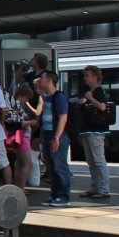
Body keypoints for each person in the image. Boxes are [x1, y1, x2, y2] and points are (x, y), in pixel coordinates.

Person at [76, 64, 111, 199]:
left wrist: (90, 98)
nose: (85, 78)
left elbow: (102, 107)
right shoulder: (89, 91)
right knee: (91, 160)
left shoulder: (98, 91)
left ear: (96, 77)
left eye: (88, 75)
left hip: (96, 130)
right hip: (87, 130)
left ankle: (104, 188)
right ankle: (95, 187)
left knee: (98, 159)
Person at [38, 70, 71, 207]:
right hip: (47, 137)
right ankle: (55, 195)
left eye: (42, 78)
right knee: (51, 168)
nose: (40, 80)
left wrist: (57, 137)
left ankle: (64, 197)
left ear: (49, 80)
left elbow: (63, 118)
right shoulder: (46, 97)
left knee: (60, 167)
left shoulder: (59, 97)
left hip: (57, 137)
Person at [10, 84, 39, 191]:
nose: (27, 100)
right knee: (28, 163)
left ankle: (19, 186)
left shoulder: (14, 104)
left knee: (20, 163)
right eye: (26, 98)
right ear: (22, 96)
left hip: (19, 137)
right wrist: (31, 122)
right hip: (23, 137)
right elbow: (18, 122)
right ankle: (21, 187)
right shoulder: (16, 106)